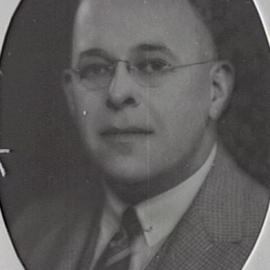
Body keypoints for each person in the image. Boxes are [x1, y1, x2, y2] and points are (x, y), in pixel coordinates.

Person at [1, 0, 269, 269]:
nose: (118, 93)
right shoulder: (30, 232)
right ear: (71, 95)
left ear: (215, 90)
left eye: (153, 65)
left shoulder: (259, 232)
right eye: (95, 68)